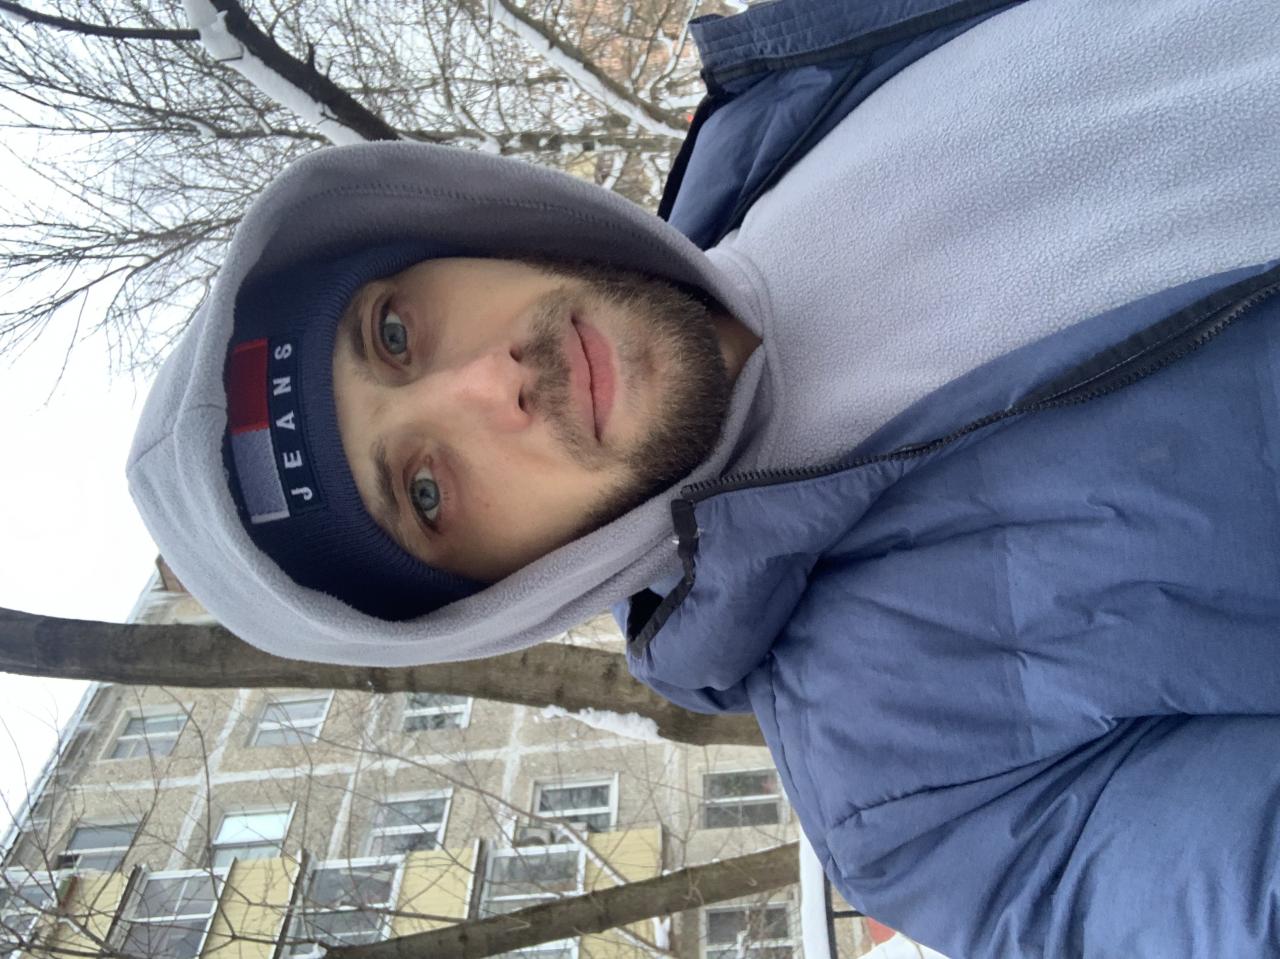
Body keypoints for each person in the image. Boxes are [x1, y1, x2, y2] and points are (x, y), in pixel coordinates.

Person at [127, 0, 1280, 955]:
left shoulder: (798, 81)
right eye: (424, 490)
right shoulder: (927, 796)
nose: (488, 383)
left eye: (393, 334)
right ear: (495, 589)